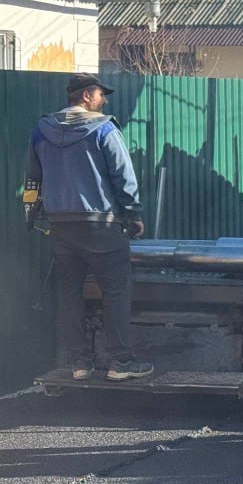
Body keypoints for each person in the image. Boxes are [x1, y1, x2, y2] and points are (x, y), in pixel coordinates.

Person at [25, 74, 153, 381]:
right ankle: (120, 362)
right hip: (102, 225)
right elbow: (123, 175)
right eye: (100, 95)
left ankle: (79, 363)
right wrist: (134, 213)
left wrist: (30, 209)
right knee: (115, 291)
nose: (104, 100)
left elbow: (32, 177)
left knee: (69, 293)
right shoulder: (104, 129)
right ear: (86, 96)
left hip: (60, 225)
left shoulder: (41, 131)